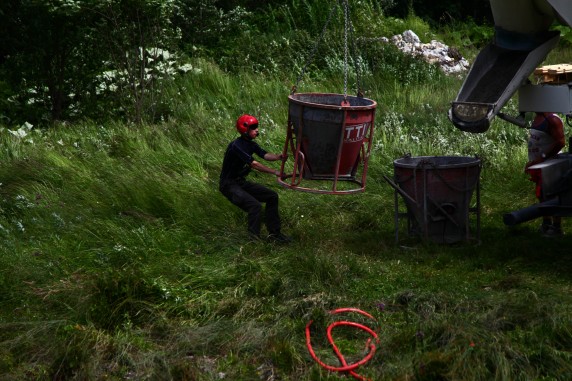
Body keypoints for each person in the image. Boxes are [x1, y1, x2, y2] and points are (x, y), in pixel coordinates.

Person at [219, 114, 291, 243]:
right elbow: (254, 164)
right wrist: (275, 172)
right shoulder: (237, 146)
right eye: (253, 127)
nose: (257, 130)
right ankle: (253, 241)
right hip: (229, 185)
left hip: (239, 182)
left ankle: (275, 235)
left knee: (272, 196)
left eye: (257, 127)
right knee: (255, 206)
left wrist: (278, 157)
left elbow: (264, 155)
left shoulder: (251, 145)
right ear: (244, 129)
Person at [525, 112, 566, 237]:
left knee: (552, 195)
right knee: (541, 194)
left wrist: (542, 157)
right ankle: (546, 223)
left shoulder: (552, 119)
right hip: (538, 165)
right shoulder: (537, 117)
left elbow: (560, 142)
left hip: (550, 164)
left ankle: (557, 227)